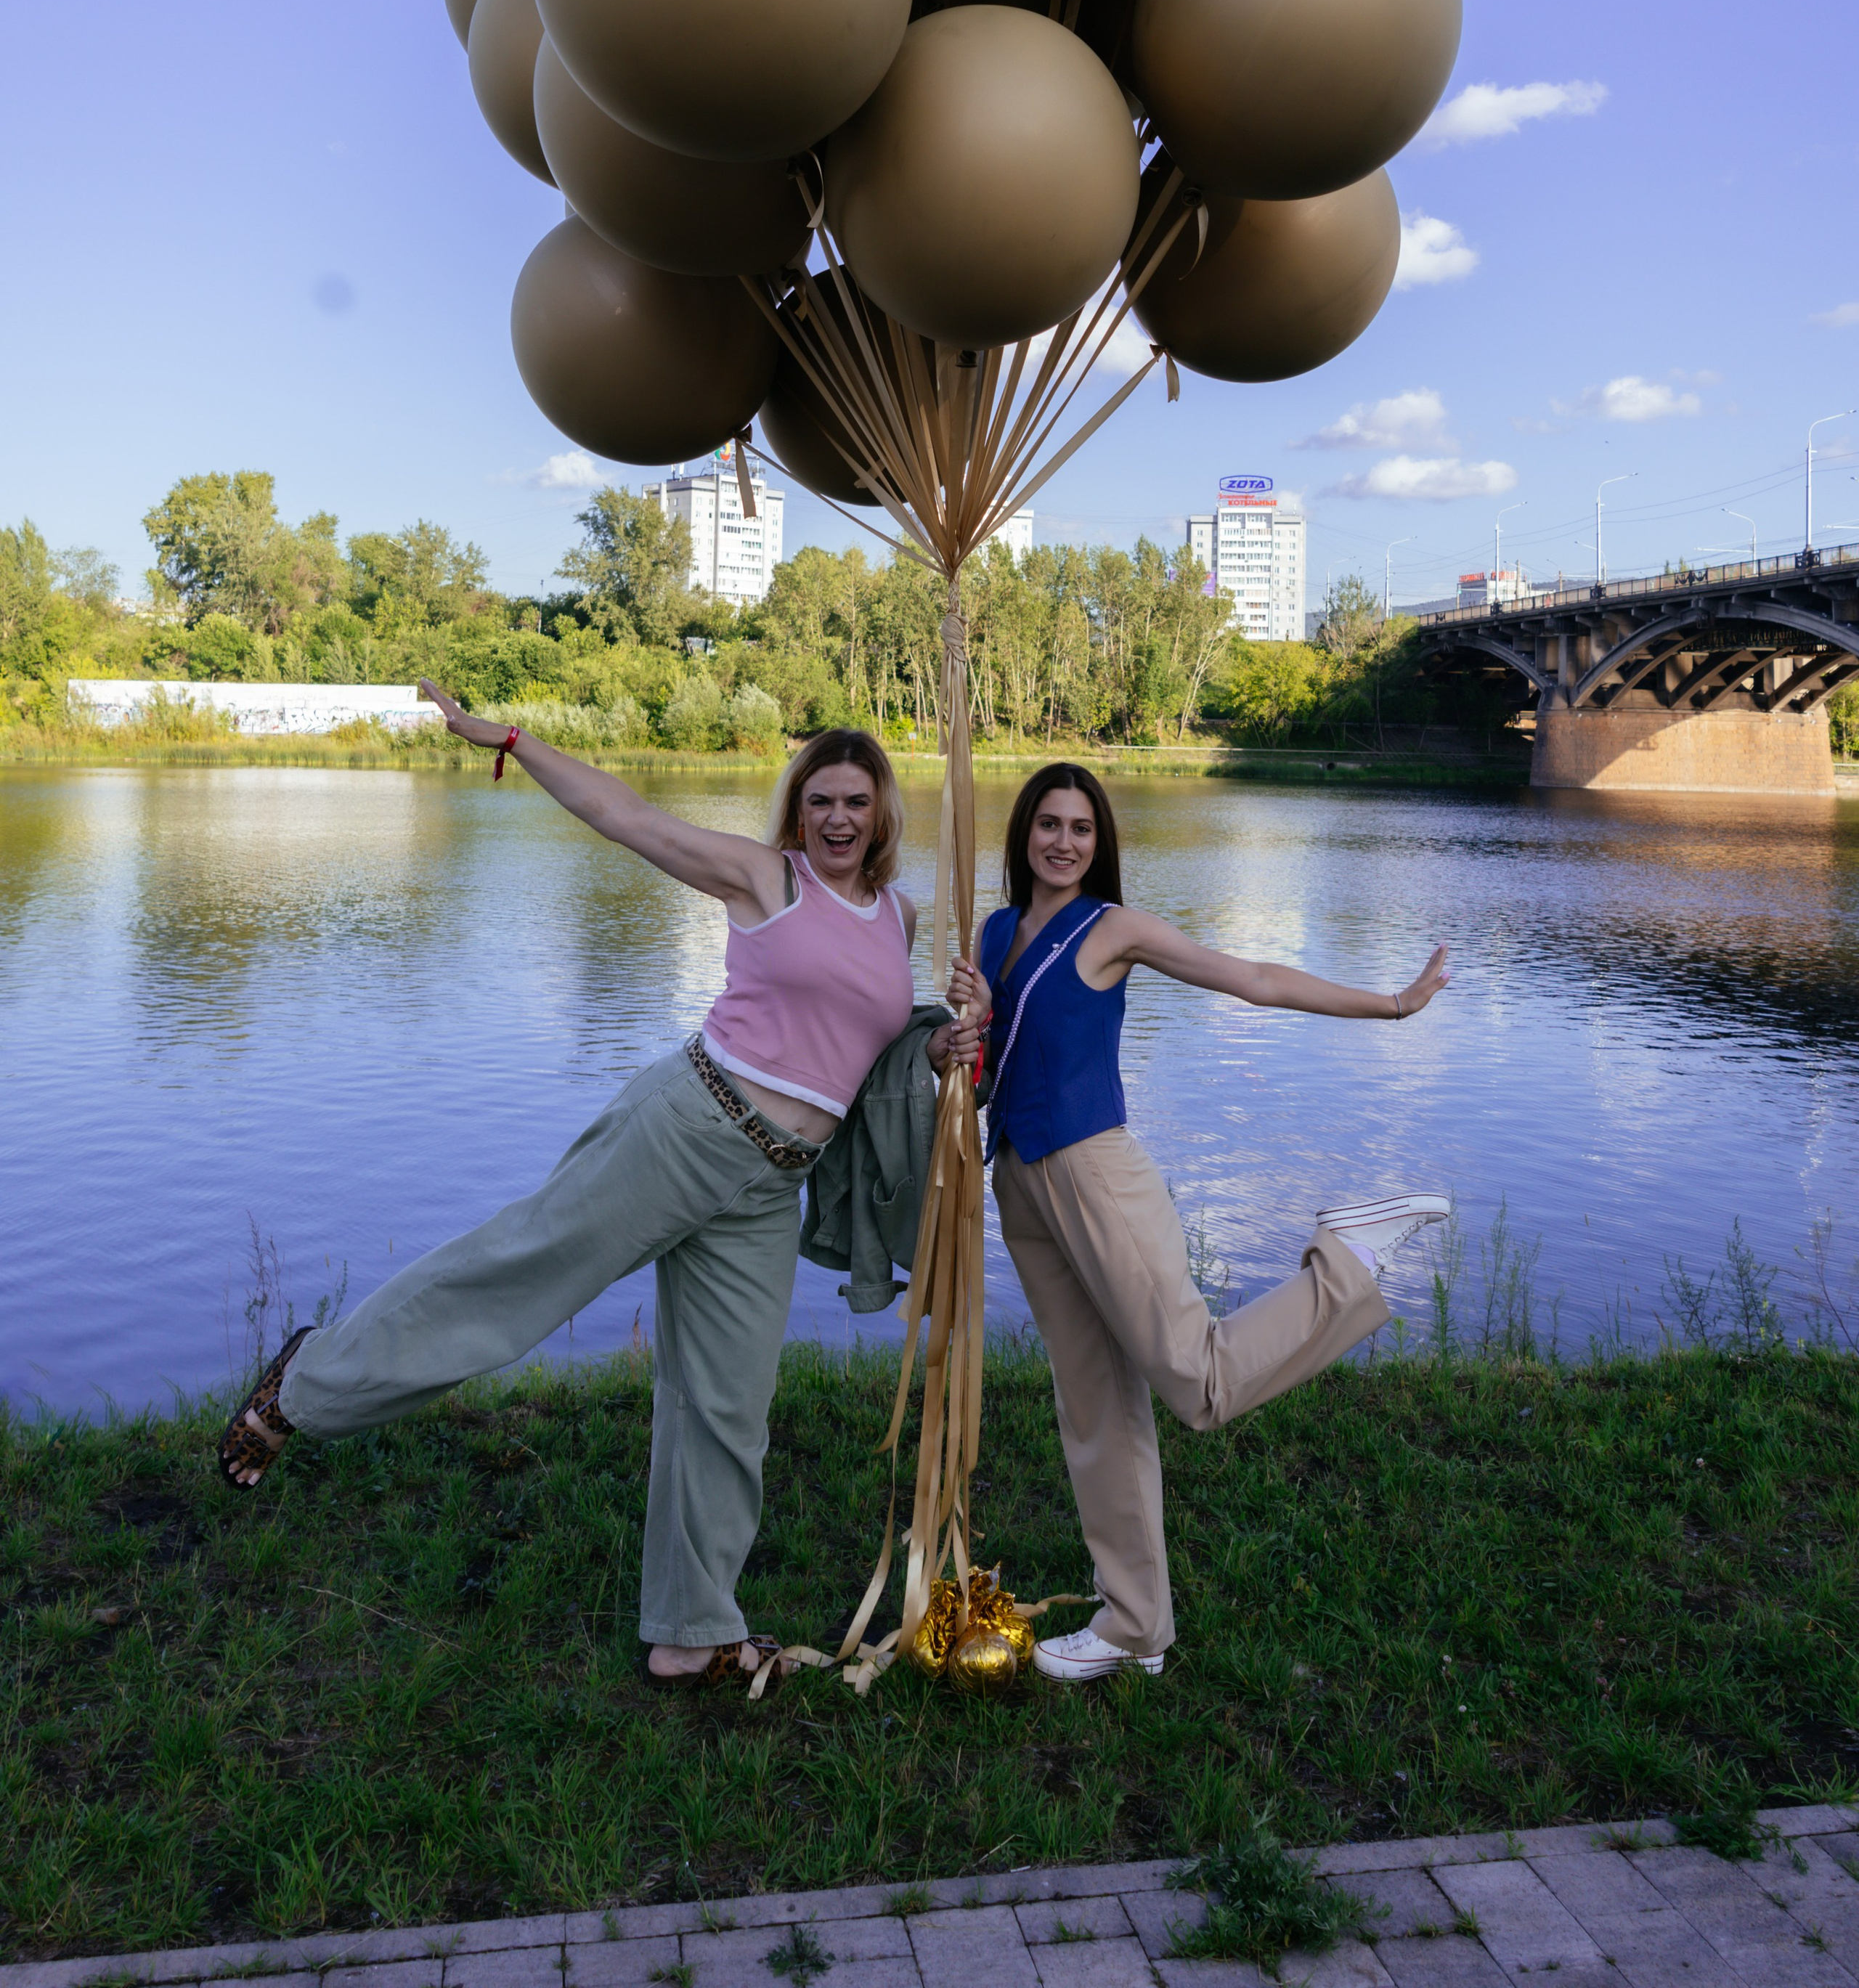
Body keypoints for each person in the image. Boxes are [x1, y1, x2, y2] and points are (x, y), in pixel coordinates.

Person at [216, 704, 978, 1690]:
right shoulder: (765, 878)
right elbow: (627, 817)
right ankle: (307, 1385)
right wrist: (515, 746)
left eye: (856, 804)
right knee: (517, 1279)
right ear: (798, 812)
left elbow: (863, 1044)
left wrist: (939, 1045)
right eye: (821, 801)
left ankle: (691, 1633)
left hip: (767, 1187)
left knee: (728, 1408)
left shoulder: (899, 917)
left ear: (882, 816)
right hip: (687, 1127)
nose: (838, 819)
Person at [964, 761, 1449, 1687]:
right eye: (1049, 824)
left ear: (1100, 844)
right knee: (1095, 1407)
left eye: (1081, 828)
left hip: (1096, 1176)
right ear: (1023, 831)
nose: (1063, 841)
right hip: (1019, 1184)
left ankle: (1347, 1260)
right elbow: (990, 1065)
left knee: (1197, 1382)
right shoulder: (991, 933)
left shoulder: (1113, 930)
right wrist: (959, 1038)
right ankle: (1135, 1623)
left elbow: (1254, 980)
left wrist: (1391, 1004)